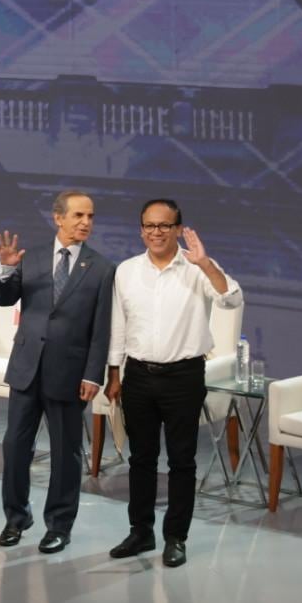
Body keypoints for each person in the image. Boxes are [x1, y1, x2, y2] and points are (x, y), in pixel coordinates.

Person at [106, 199, 241, 569]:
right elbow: (118, 325)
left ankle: (175, 537)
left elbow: (232, 299)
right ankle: (141, 531)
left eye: (164, 226)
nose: (156, 232)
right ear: (141, 230)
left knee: (182, 461)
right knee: (141, 459)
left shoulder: (196, 268)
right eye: (149, 226)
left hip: (183, 376)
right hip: (137, 376)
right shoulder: (127, 271)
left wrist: (206, 264)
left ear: (178, 229)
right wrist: (114, 372)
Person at [0, 191, 115, 554]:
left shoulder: (102, 268)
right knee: (15, 447)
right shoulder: (32, 257)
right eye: (78, 215)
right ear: (58, 218)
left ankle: (59, 525)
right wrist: (7, 269)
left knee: (66, 453)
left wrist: (94, 375)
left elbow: (101, 329)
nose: (85, 223)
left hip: (70, 375)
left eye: (90, 216)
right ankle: (16, 518)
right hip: (27, 369)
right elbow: (4, 299)